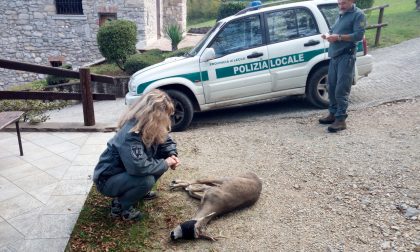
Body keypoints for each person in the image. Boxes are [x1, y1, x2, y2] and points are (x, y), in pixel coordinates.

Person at [93, 89, 180, 221]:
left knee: (161, 162)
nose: (167, 119)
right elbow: (139, 168)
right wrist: (166, 163)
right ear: (154, 114)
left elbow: (165, 139)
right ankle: (120, 207)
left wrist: (171, 153)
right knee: (147, 179)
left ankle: (138, 192)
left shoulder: (149, 124)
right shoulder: (131, 134)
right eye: (165, 115)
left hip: (123, 172)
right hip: (107, 179)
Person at [319, 0, 366, 132]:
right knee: (331, 86)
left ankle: (340, 120)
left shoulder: (358, 15)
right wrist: (328, 35)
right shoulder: (341, 14)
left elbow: (358, 35)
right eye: (339, 3)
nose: (341, 5)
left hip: (346, 56)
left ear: (353, 1)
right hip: (334, 56)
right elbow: (334, 29)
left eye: (344, 3)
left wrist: (338, 38)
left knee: (341, 89)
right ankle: (333, 113)